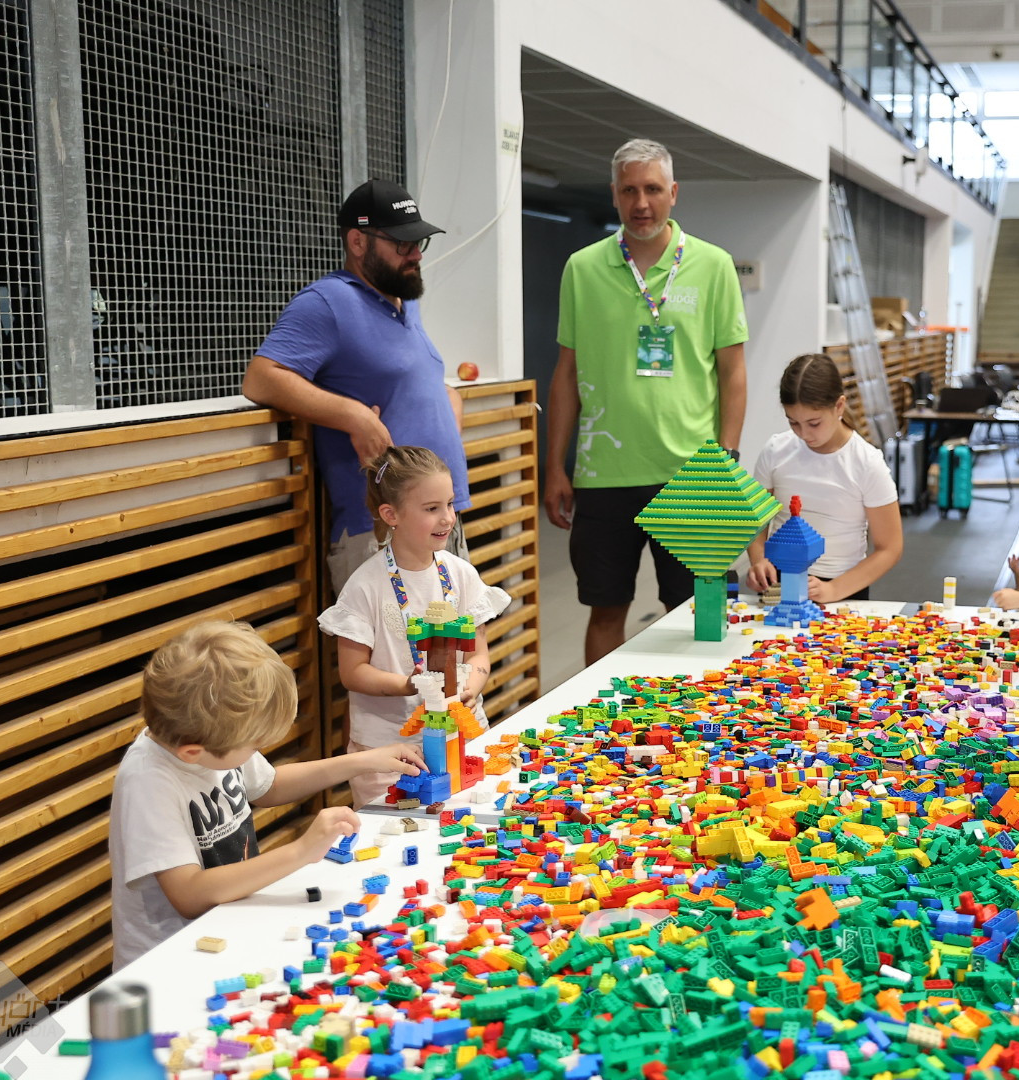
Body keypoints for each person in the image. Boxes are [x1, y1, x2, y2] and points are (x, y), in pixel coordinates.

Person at [109, 621, 427, 970]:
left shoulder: (205, 738)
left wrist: (362, 761)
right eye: (253, 746)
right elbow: (189, 895)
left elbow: (269, 786)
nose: (256, 752)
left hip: (227, 928)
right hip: (170, 962)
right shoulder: (148, 781)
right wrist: (301, 851)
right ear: (192, 753)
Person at [544, 138, 749, 665]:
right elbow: (566, 373)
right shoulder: (582, 268)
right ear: (614, 194)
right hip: (603, 473)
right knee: (605, 611)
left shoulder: (713, 265)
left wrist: (726, 457)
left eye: (653, 189)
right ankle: (599, 713)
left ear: (673, 193)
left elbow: (733, 372)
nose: (641, 203)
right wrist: (555, 466)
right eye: (629, 191)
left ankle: (699, 711)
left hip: (693, 472)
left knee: (699, 613)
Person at [242, 179, 469, 593]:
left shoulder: (405, 303)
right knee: (390, 640)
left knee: (452, 636)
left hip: (441, 519)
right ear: (358, 242)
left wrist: (448, 403)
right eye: (402, 244)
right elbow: (262, 377)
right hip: (382, 531)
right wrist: (354, 416)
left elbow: (409, 379)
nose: (416, 254)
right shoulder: (327, 302)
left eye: (418, 243)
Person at [319, 446, 511, 806]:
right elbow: (352, 672)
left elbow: (478, 654)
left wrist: (471, 688)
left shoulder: (461, 573)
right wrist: (408, 685)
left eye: (449, 504)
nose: (447, 518)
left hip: (461, 737)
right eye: (431, 508)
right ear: (391, 514)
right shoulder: (365, 586)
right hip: (389, 752)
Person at [744, 354, 902, 603]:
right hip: (780, 582)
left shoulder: (866, 462)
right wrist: (759, 560)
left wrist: (834, 590)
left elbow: (889, 548)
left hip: (844, 587)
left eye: (814, 423)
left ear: (839, 406)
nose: (804, 434)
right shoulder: (776, 450)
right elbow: (756, 521)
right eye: (793, 422)